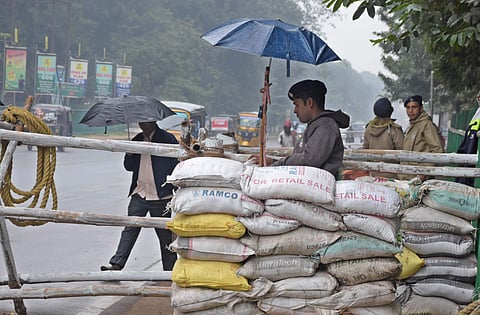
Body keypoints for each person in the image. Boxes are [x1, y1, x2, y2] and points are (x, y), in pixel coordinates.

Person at [101, 121, 179, 271]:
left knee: (165, 234)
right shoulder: (136, 139)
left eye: (146, 122)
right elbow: (128, 167)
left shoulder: (167, 139)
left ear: (154, 122)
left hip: (161, 196)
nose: (143, 125)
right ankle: (116, 263)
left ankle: (170, 271)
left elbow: (175, 164)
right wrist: (129, 153)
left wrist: (170, 184)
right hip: (140, 193)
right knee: (130, 229)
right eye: (141, 122)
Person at [250, 79, 350, 179]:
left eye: (297, 105)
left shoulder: (325, 126)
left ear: (309, 102)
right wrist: (273, 161)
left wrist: (278, 164)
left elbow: (309, 160)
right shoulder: (315, 126)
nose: (295, 110)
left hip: (316, 185)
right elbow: (299, 158)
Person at [399, 95, 444, 181]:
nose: (410, 111)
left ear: (421, 108)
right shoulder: (412, 125)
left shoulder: (426, 125)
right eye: (408, 108)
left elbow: (437, 150)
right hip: (407, 176)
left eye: (414, 107)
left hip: (420, 178)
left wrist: (425, 172)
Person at [363, 97, 404, 178]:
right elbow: (402, 152)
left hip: (374, 174)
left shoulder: (369, 128)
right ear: (390, 111)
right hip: (392, 174)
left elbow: (365, 150)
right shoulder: (394, 129)